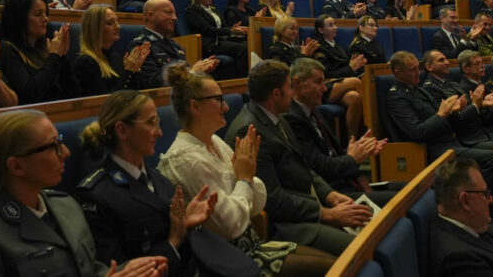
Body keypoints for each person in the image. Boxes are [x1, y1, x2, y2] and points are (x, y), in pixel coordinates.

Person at [0, 109, 169, 277]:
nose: (66, 153)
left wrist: (127, 271)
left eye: (60, 142)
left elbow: (88, 270)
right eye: (53, 147)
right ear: (16, 166)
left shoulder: (65, 205)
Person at [158, 65, 335, 276]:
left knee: (335, 262)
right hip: (225, 261)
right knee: (330, 269)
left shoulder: (214, 141)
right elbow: (231, 225)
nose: (225, 107)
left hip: (252, 245)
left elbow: (257, 202)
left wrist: (245, 179)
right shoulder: (186, 160)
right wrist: (243, 179)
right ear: (195, 107)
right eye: (218, 100)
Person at [73, 91, 229, 277]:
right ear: (122, 130)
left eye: (158, 122)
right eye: (151, 123)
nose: (159, 132)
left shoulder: (159, 179)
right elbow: (118, 270)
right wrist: (173, 242)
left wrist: (186, 223)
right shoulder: (96, 195)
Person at [224, 60, 370, 255]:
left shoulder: (277, 115)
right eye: (289, 87)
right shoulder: (250, 130)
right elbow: (273, 199)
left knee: (374, 227)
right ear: (276, 94)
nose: (293, 93)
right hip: (285, 225)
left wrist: (329, 194)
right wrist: (325, 214)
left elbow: (303, 165)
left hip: (306, 204)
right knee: (361, 248)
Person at [384, 51, 493, 196]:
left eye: (418, 68)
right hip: (433, 149)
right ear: (398, 73)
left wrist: (457, 110)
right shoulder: (396, 97)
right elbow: (417, 132)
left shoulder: (420, 91)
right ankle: (484, 205)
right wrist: (442, 113)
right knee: (491, 159)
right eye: (412, 70)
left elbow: (448, 120)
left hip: (451, 142)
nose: (418, 73)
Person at [285, 58, 400, 205]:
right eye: (318, 82)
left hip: (348, 183)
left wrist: (361, 151)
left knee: (416, 189)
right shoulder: (291, 119)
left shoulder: (314, 112)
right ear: (297, 82)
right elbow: (321, 169)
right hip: (334, 195)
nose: (324, 88)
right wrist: (353, 157)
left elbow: (336, 157)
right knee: (406, 200)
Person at [0, 0, 78, 105]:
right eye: (38, 14)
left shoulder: (45, 48)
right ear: (20, 18)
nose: (45, 19)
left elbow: (73, 94)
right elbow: (30, 95)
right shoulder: (6, 51)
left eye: (46, 13)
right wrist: (54, 57)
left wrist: (62, 57)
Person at [124, 0, 218, 89]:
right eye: (169, 13)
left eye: (174, 14)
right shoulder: (141, 46)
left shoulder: (175, 45)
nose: (175, 18)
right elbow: (152, 84)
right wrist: (192, 73)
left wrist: (200, 71)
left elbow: (186, 77)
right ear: (151, 16)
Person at [75, 5, 150, 96]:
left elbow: (131, 93)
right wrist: (129, 72)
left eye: (117, 21)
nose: (118, 27)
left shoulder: (115, 57)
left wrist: (135, 70)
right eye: (110, 23)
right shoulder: (87, 61)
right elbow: (105, 103)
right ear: (95, 29)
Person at [184, 0, 248, 78]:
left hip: (221, 42)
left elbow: (225, 27)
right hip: (210, 45)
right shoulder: (192, 10)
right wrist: (230, 31)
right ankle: (241, 80)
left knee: (248, 43)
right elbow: (207, 29)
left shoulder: (213, 10)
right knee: (243, 49)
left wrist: (234, 30)